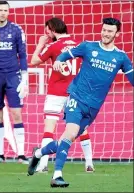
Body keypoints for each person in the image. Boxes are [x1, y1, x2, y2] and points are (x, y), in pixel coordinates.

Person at [28, 17, 134, 188]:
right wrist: (59, 63)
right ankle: (57, 175)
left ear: (117, 34)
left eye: (110, 31)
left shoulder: (121, 57)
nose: (105, 34)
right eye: (104, 30)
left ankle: (39, 153)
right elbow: (63, 55)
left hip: (94, 108)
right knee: (70, 133)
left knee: (65, 140)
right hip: (76, 98)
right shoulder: (87, 46)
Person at [30, 17, 94, 173]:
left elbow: (33, 61)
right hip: (76, 93)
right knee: (80, 128)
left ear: (52, 30)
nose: (46, 33)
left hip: (56, 93)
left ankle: (43, 164)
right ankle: (89, 163)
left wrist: (40, 44)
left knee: (49, 129)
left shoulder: (53, 46)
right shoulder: (80, 45)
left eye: (47, 31)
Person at [0, 1, 29, 164]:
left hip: (12, 76)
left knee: (16, 113)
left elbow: (23, 55)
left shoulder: (16, 29)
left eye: (6, 10)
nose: (3, 13)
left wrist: (24, 78)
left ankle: (21, 154)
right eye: (0, 10)